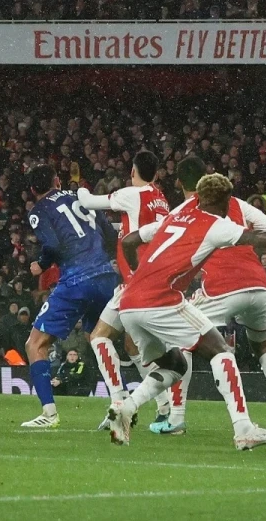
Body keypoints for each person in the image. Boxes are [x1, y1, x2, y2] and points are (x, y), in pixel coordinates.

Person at [105, 173, 266, 450]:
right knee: (220, 351)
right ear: (226, 201)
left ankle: (127, 406)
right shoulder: (215, 224)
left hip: (130, 303)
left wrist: (136, 273)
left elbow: (130, 240)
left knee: (175, 365)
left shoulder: (175, 217)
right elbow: (257, 235)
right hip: (161, 300)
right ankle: (244, 429)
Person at [20, 164, 120, 429]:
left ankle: (50, 414)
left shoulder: (39, 211)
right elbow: (111, 236)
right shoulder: (80, 197)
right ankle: (120, 405)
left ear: (32, 190)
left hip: (76, 281)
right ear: (56, 180)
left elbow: (52, 244)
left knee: (35, 344)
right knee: (99, 341)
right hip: (106, 276)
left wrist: (41, 264)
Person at [81, 150, 174, 432]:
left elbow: (89, 202)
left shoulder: (133, 194)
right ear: (156, 174)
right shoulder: (161, 199)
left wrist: (78, 186)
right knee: (136, 346)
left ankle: (119, 402)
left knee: (99, 337)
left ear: (133, 172)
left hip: (137, 282)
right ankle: (164, 407)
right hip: (156, 280)